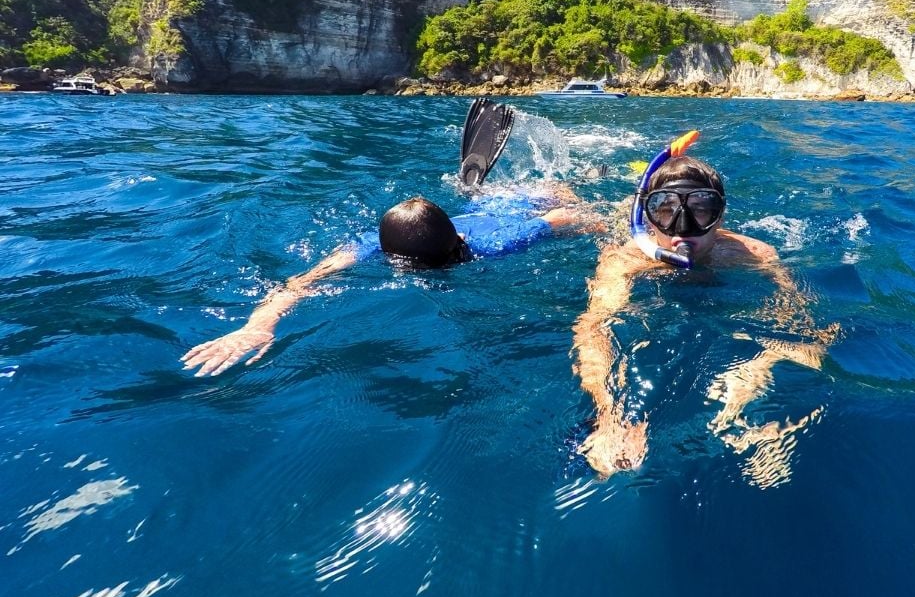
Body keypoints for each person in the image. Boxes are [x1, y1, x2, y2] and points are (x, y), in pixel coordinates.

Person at [182, 100, 594, 377]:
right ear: (458, 235)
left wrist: (258, 326)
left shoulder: (370, 246)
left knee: (548, 192)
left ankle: (488, 191)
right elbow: (567, 215)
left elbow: (302, 282)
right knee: (557, 191)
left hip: (508, 209)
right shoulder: (493, 244)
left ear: (387, 250)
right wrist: (600, 223)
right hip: (505, 213)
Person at [571, 131, 837, 481]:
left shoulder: (752, 255)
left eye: (701, 211)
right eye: (665, 210)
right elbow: (594, 329)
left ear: (721, 217)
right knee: (587, 219)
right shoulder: (627, 260)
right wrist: (609, 414)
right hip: (617, 239)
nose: (683, 228)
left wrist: (757, 377)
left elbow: (799, 330)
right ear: (648, 220)